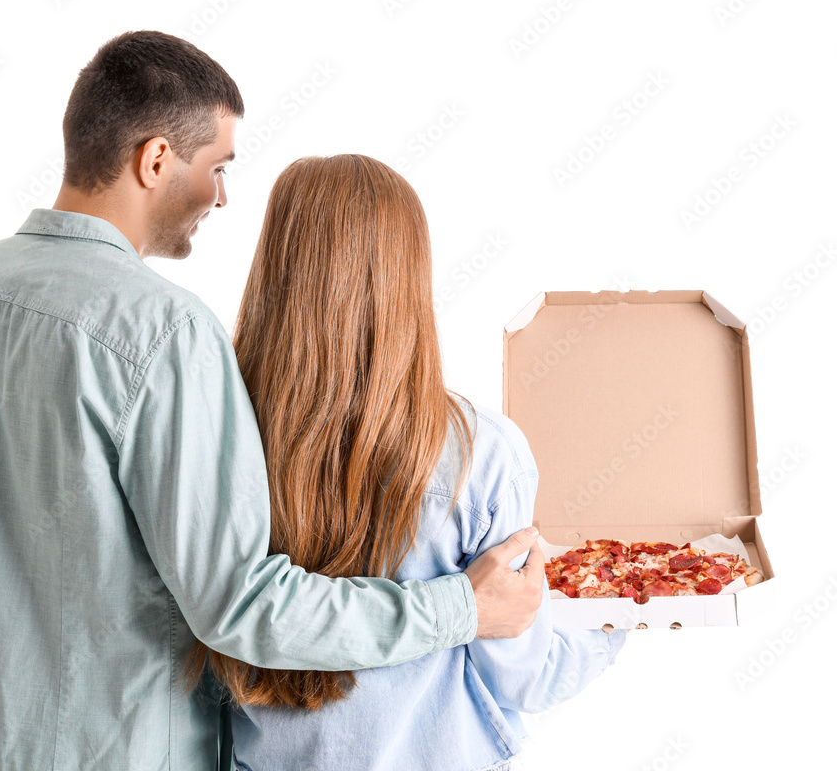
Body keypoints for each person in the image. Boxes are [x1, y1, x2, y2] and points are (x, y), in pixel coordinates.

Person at [0, 31, 546, 771]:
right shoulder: (163, 331)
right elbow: (241, 605)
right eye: (218, 168)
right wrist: (462, 609)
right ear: (156, 159)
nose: (224, 196)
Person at [187, 154, 628, 771]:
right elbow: (526, 677)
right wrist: (619, 618)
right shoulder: (483, 453)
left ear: (275, 269)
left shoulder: (212, 432)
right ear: (410, 277)